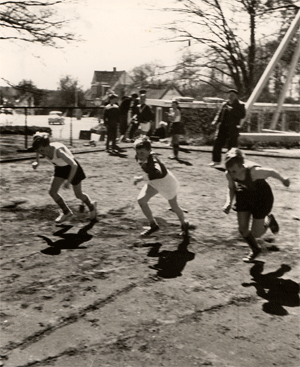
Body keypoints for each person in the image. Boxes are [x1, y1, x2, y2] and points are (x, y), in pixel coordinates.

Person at [223, 148, 290, 262]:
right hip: (244, 195)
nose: (231, 174)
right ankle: (255, 249)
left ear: (242, 166)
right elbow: (231, 188)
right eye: (229, 170)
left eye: (234, 171)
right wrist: (228, 202)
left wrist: (283, 179)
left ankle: (269, 220)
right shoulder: (229, 173)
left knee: (256, 233)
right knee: (243, 229)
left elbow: (271, 172)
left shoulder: (254, 172)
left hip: (261, 197)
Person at [31, 132, 97, 224]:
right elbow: (37, 151)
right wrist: (37, 162)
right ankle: (66, 212)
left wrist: (68, 181)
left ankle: (91, 206)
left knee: (78, 194)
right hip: (60, 168)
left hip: (72, 169)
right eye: (38, 151)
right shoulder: (41, 148)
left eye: (42, 150)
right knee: (52, 192)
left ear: (47, 145)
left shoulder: (58, 151)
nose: (41, 153)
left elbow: (74, 165)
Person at [133, 136, 189, 237]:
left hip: (166, 183)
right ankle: (153, 225)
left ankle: (184, 224)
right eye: (137, 152)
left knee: (174, 206)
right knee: (141, 200)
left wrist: (141, 178)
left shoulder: (153, 159)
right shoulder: (138, 157)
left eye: (142, 153)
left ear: (149, 151)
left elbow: (158, 173)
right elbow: (152, 173)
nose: (139, 155)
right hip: (154, 182)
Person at [209, 89, 246, 167]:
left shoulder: (241, 105)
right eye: (229, 95)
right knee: (217, 143)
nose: (230, 96)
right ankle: (216, 161)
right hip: (222, 127)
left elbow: (242, 115)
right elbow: (219, 114)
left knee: (232, 146)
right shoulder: (224, 104)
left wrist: (232, 110)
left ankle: (230, 164)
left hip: (233, 128)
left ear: (236, 96)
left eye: (232, 95)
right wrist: (215, 121)